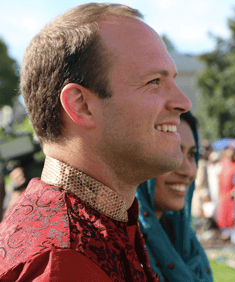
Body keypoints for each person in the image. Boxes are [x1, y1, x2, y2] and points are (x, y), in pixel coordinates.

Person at [0, 3, 191, 280]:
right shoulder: (63, 261)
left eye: (172, 80)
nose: (182, 103)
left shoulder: (98, 223)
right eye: (153, 82)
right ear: (81, 106)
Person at [136, 112, 213, 282]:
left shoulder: (184, 239)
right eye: (171, 151)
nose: (187, 171)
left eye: (192, 155)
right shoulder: (119, 246)